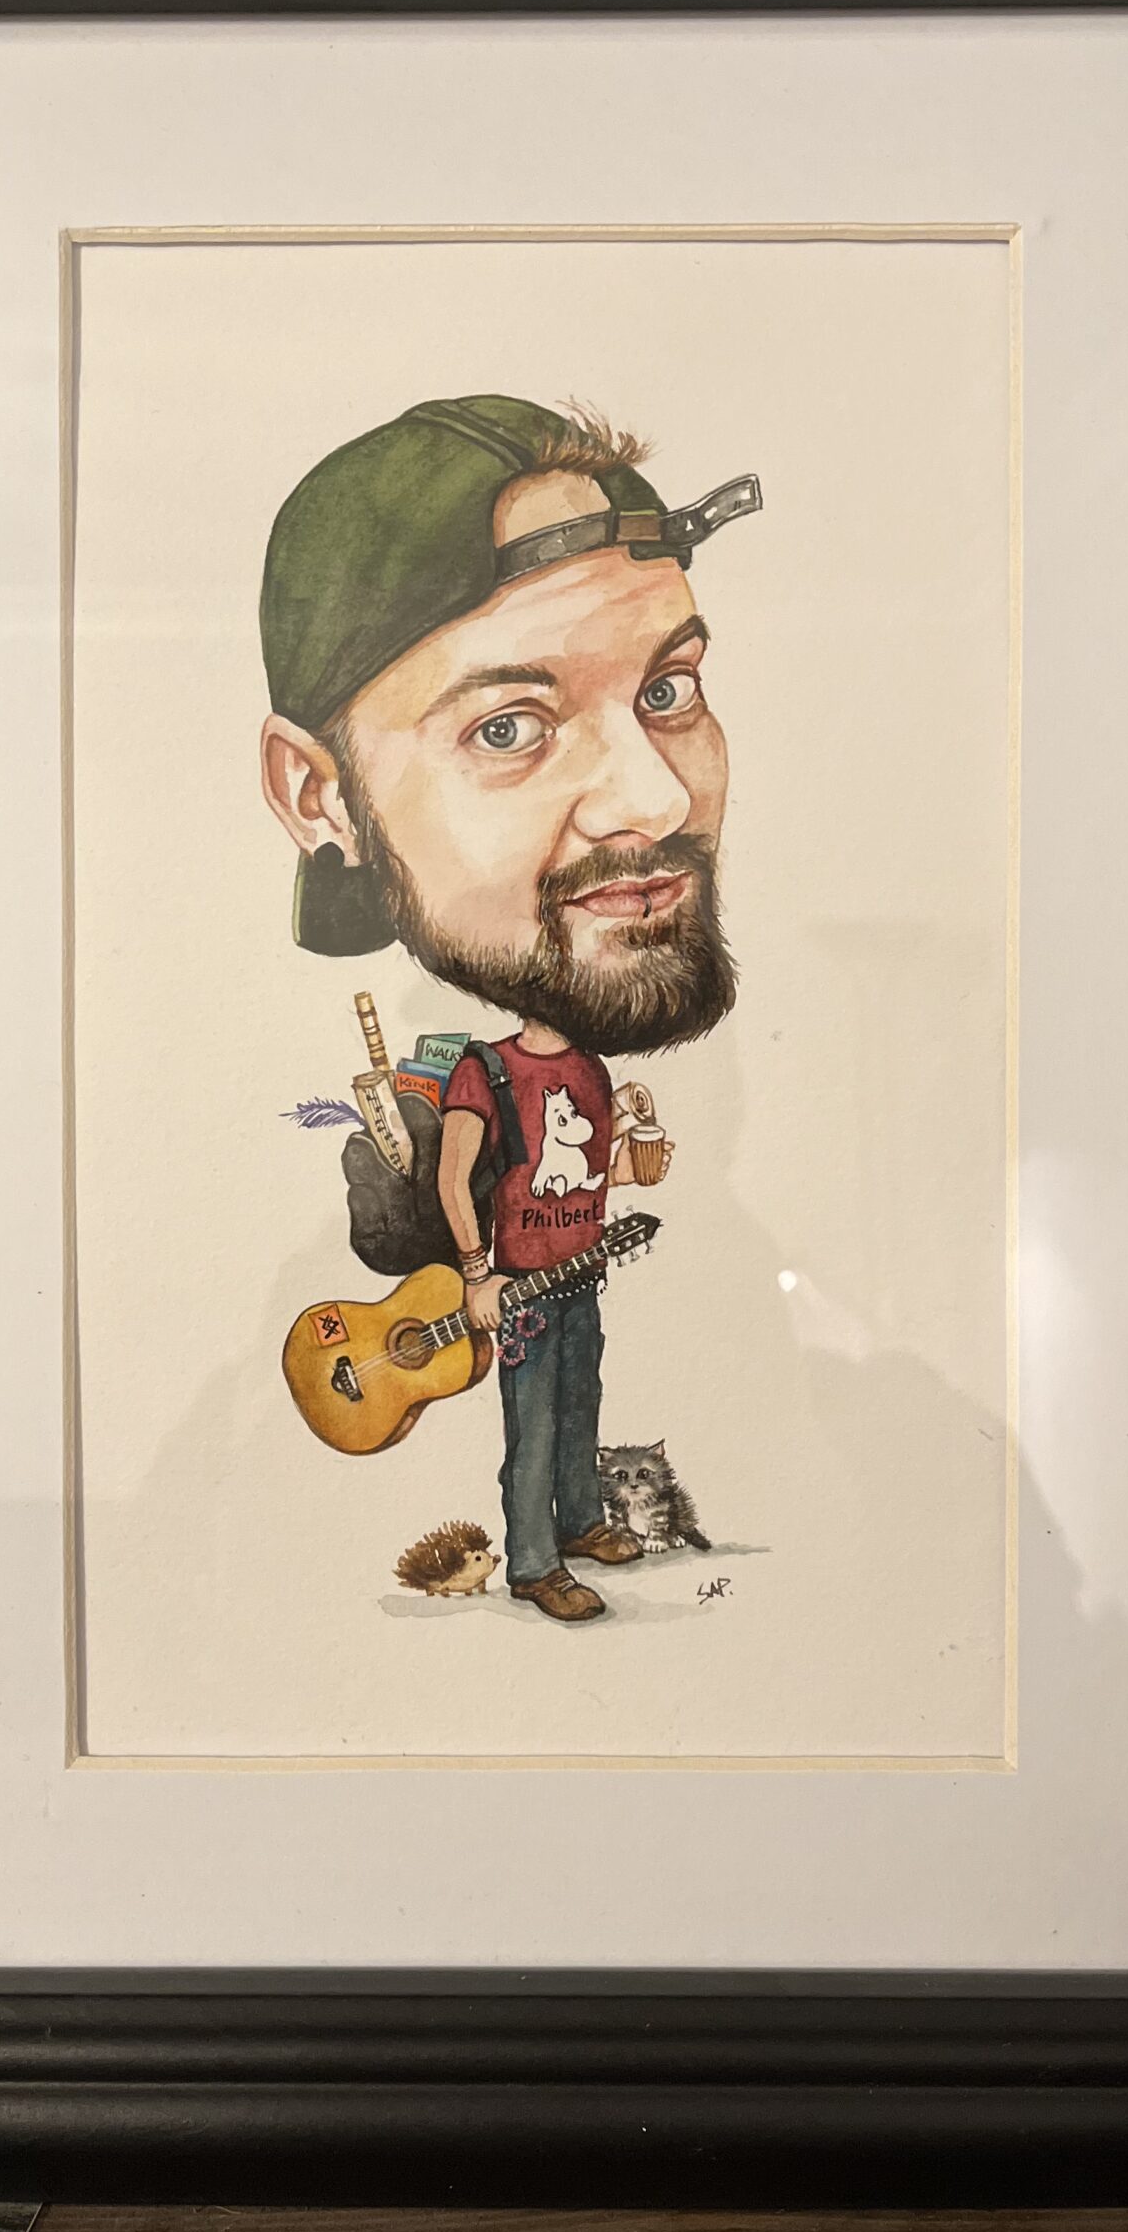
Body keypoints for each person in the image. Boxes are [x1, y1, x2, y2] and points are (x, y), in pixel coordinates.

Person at [258, 394, 760, 1618]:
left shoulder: (582, 1071)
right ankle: (535, 1557)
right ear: (320, 797)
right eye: (508, 724)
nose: (655, 800)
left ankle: (580, 1523)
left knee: (579, 1398)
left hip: (570, 1274)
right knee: (534, 1418)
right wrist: (478, 1270)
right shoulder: (479, 1070)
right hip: (508, 1287)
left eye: (669, 690)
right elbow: (456, 1171)